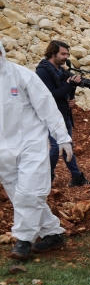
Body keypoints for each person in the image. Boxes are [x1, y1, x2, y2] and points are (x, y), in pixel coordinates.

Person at [0, 40, 74, 260]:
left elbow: (47, 106)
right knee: (18, 195)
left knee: (29, 193)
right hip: (4, 151)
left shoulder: (21, 76)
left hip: (30, 142)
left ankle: (23, 241)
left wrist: (63, 137)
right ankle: (52, 233)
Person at [35, 40, 90, 187]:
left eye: (67, 54)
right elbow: (50, 95)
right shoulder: (43, 71)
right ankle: (45, 176)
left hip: (64, 113)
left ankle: (76, 177)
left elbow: (66, 91)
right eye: (62, 54)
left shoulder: (61, 70)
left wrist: (71, 98)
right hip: (51, 115)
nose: (65, 57)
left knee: (67, 145)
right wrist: (69, 85)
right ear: (52, 53)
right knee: (56, 147)